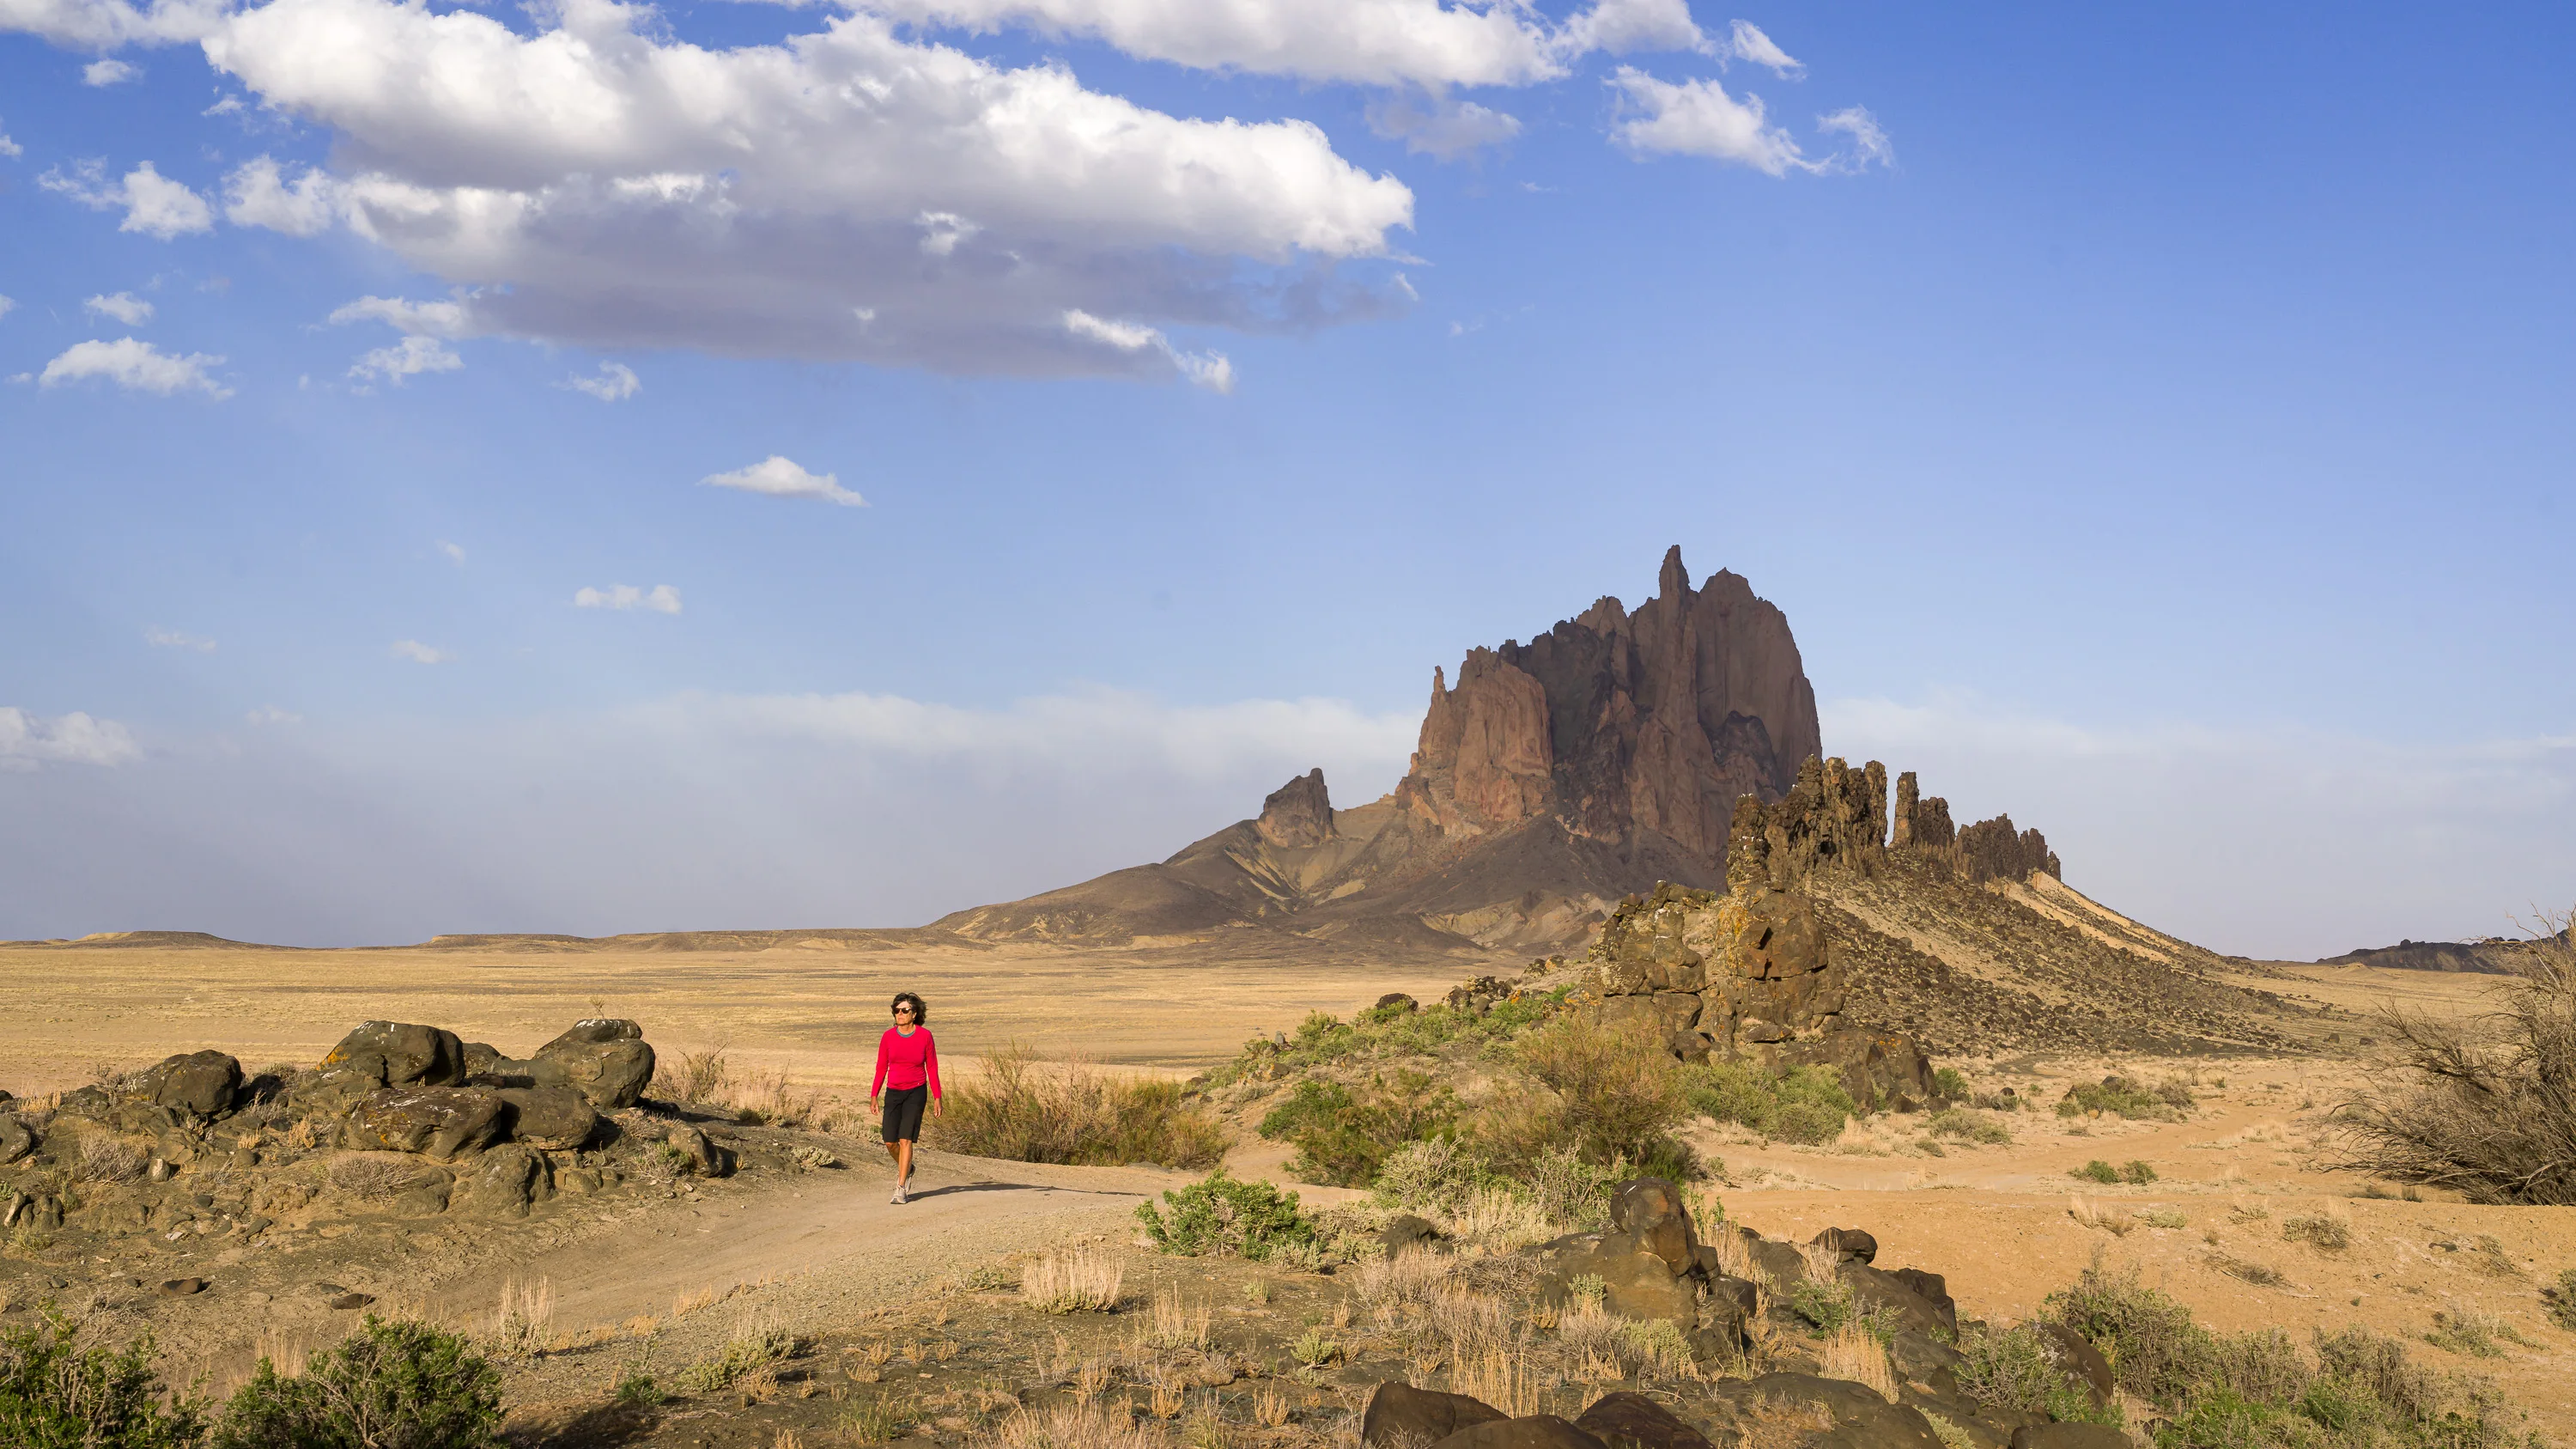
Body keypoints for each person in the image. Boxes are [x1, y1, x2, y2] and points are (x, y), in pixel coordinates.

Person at [869, 991, 940, 1204]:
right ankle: (908, 1168)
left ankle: (900, 1188)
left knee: (905, 1139)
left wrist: (938, 1097)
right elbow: (881, 1067)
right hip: (893, 1091)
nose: (899, 1014)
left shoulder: (925, 1036)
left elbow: (932, 1067)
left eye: (904, 1010)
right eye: (896, 1010)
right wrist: (874, 1095)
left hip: (916, 1092)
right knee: (890, 1142)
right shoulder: (888, 1037)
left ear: (914, 1013)